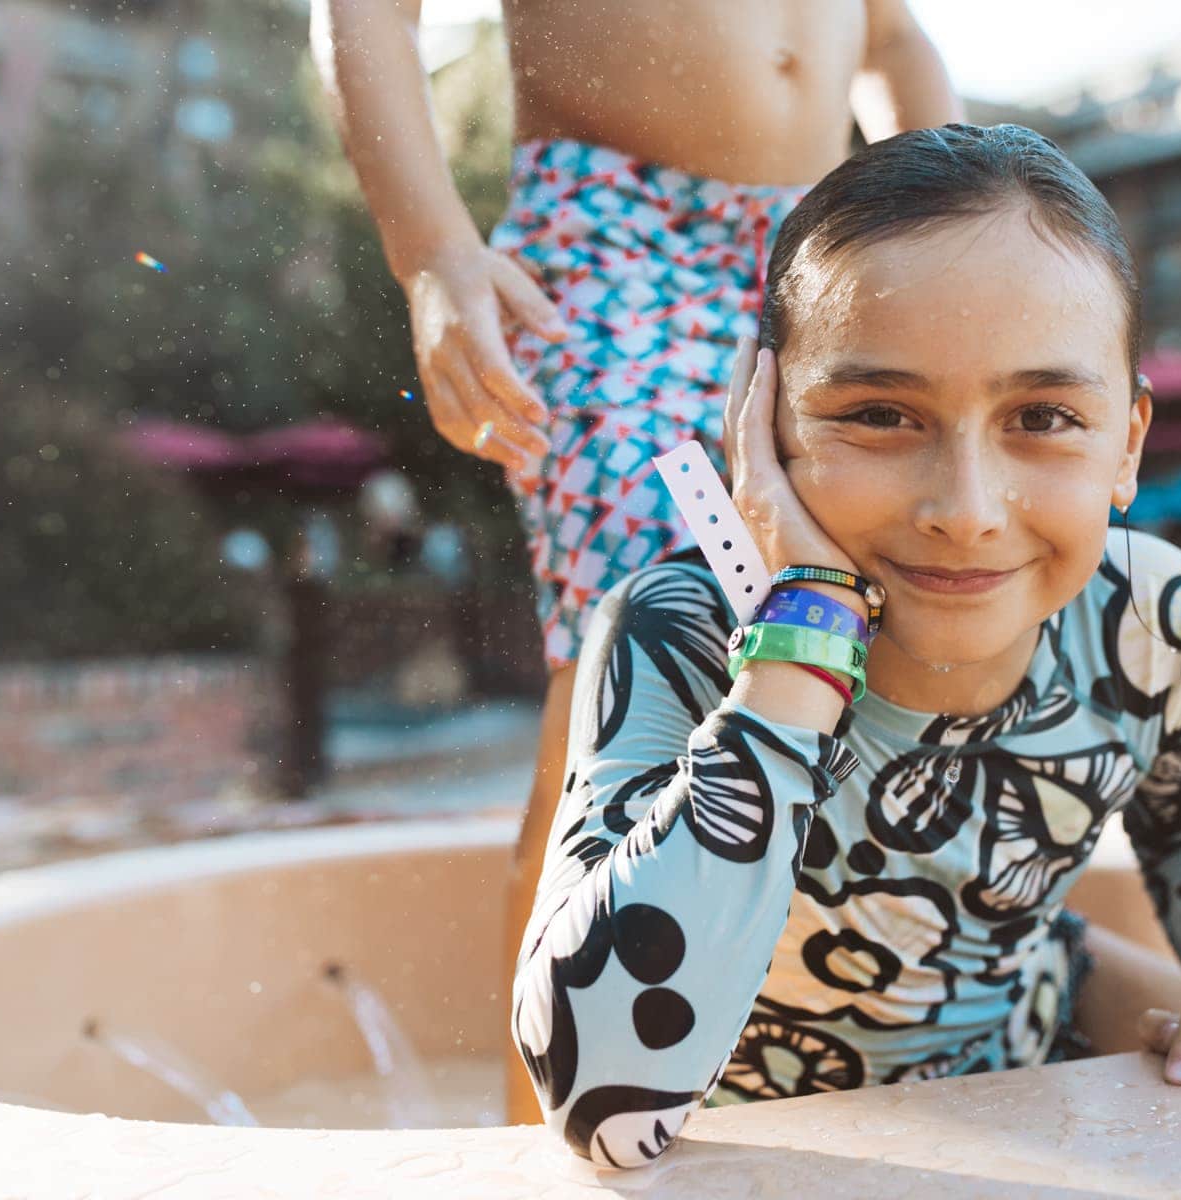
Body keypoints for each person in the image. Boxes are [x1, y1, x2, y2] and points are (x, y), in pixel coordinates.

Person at [511, 124, 1181, 1167]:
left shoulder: (1146, 620)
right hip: (767, 1159)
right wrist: (804, 643)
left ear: (1128, 444)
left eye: (1043, 415)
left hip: (1029, 1094)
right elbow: (601, 1108)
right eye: (880, 414)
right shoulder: (684, 635)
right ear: (763, 425)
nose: (966, 511)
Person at [311, 0, 959, 1124]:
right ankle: (541, 1143)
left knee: (834, 660)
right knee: (635, 672)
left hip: (821, 252)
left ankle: (758, 1096)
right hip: (617, 239)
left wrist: (955, 248)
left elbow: (891, 40)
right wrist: (431, 253)